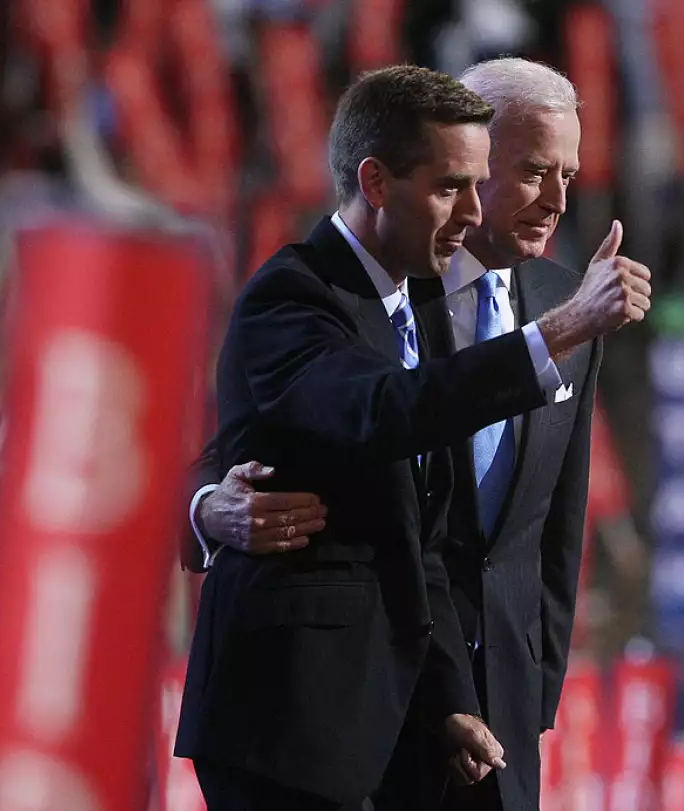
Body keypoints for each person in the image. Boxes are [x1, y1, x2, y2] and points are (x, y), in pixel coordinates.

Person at [175, 65, 650, 810]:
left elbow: (552, 523)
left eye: (569, 175)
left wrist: (526, 693)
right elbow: (363, 414)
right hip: (322, 719)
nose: (557, 200)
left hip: (484, 711)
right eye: (532, 172)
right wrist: (206, 505)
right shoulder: (337, 289)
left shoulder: (553, 296)